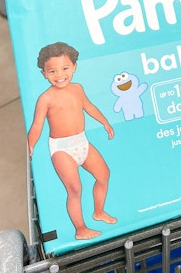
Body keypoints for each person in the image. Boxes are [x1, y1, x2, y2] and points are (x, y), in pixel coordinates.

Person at [27, 42, 117, 240]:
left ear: (74, 67)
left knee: (103, 175)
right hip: (61, 149)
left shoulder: (77, 89)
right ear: (44, 73)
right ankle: (80, 229)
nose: (59, 75)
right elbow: (37, 125)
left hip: (81, 142)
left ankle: (98, 212)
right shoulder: (46, 98)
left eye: (65, 68)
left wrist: (105, 123)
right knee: (74, 189)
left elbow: (89, 107)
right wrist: (30, 145)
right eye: (52, 71)